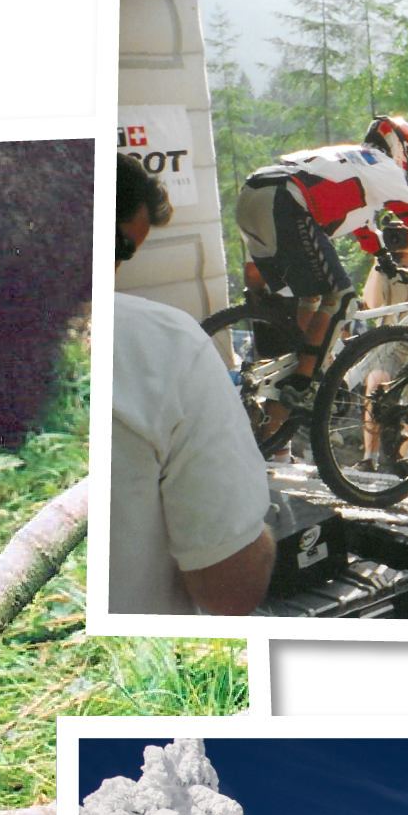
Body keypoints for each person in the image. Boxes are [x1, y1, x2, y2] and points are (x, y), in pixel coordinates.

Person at [109, 156, 275, 616]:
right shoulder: (169, 345)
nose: (120, 269)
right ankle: (302, 381)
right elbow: (229, 590)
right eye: (121, 249)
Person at [233, 115, 408, 435]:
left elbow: (364, 227)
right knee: (340, 296)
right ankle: (303, 380)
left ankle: (278, 370)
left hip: (253, 193)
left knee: (303, 295)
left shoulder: (351, 157)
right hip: (285, 201)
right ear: (402, 149)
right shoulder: (386, 167)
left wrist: (382, 257)